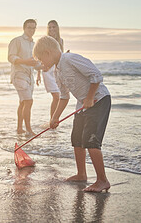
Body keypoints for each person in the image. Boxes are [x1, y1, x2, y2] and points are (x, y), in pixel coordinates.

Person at [33, 36, 111, 193]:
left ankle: (102, 180)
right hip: (83, 105)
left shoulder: (69, 58)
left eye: (42, 60)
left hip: (98, 100)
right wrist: (54, 117)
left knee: (90, 140)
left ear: (47, 53)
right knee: (76, 139)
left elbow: (96, 75)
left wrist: (89, 97)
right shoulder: (57, 71)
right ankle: (81, 174)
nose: (42, 65)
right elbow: (64, 96)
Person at [8, 19, 41, 135]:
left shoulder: (34, 44)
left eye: (33, 28)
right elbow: (11, 57)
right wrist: (26, 61)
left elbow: (36, 63)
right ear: (24, 28)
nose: (31, 30)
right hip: (19, 75)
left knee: (23, 102)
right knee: (28, 101)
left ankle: (19, 128)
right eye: (29, 27)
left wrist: (48, 65)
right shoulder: (17, 41)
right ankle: (29, 130)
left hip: (29, 77)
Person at [36, 20, 64, 124]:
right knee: (56, 96)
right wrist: (38, 74)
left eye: (53, 27)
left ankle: (54, 120)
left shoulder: (61, 41)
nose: (52, 29)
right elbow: (40, 58)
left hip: (56, 70)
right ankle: (52, 120)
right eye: (49, 27)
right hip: (47, 70)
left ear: (57, 28)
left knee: (59, 96)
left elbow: (61, 56)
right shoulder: (45, 41)